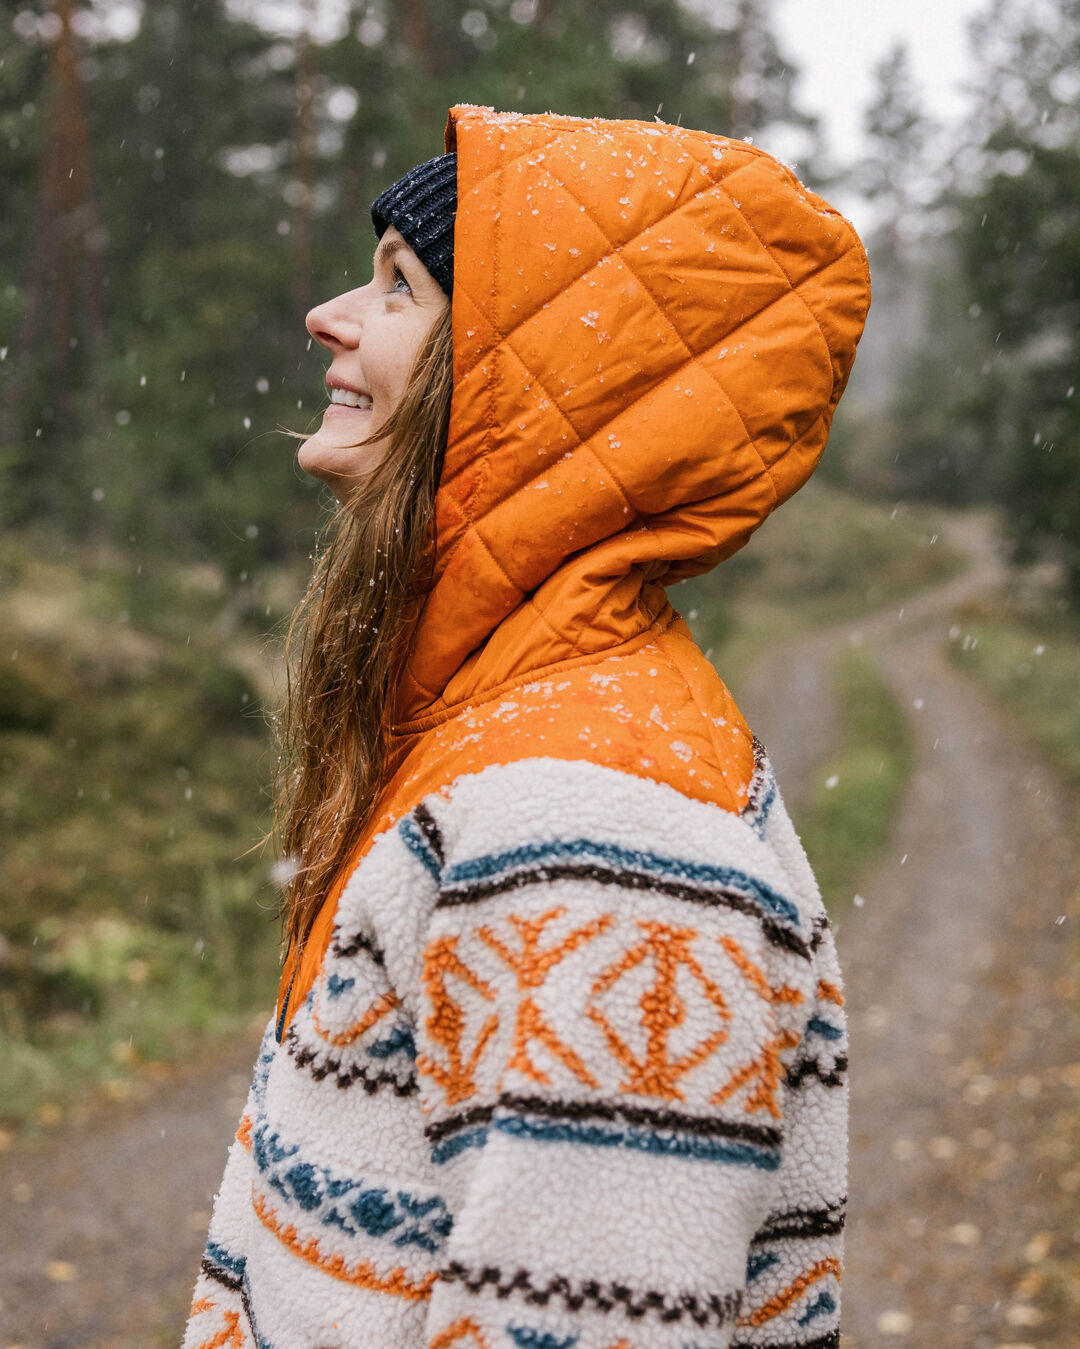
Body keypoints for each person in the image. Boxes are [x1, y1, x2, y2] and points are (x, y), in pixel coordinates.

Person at [183, 105, 870, 1349]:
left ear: (527, 386)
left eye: (399, 287)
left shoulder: (582, 818)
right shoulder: (506, 724)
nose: (329, 315)